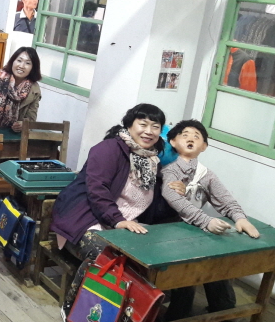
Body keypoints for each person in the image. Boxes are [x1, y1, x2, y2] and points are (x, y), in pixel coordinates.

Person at [51, 103, 182, 316]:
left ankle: (128, 312)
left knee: (154, 261)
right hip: (86, 220)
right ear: (129, 125)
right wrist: (117, 220)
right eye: (143, 124)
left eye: (155, 127)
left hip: (126, 225)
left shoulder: (152, 161)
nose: (149, 131)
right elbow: (97, 191)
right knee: (104, 255)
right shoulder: (108, 149)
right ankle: (74, 310)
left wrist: (174, 195)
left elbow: (153, 208)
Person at [161, 119, 259, 320]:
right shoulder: (169, 170)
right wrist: (206, 221)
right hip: (167, 233)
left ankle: (224, 312)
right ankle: (178, 315)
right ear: (173, 142)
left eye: (197, 137)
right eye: (185, 135)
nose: (191, 139)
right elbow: (174, 199)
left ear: (204, 146)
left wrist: (240, 217)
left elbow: (225, 199)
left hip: (194, 232)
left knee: (217, 264)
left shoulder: (206, 175)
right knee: (186, 272)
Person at [0, 46, 41, 131]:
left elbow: (31, 119)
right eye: (19, 60)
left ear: (33, 67)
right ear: (12, 61)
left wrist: (22, 125)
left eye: (27, 63)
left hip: (11, 133)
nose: (21, 66)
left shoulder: (34, 89)